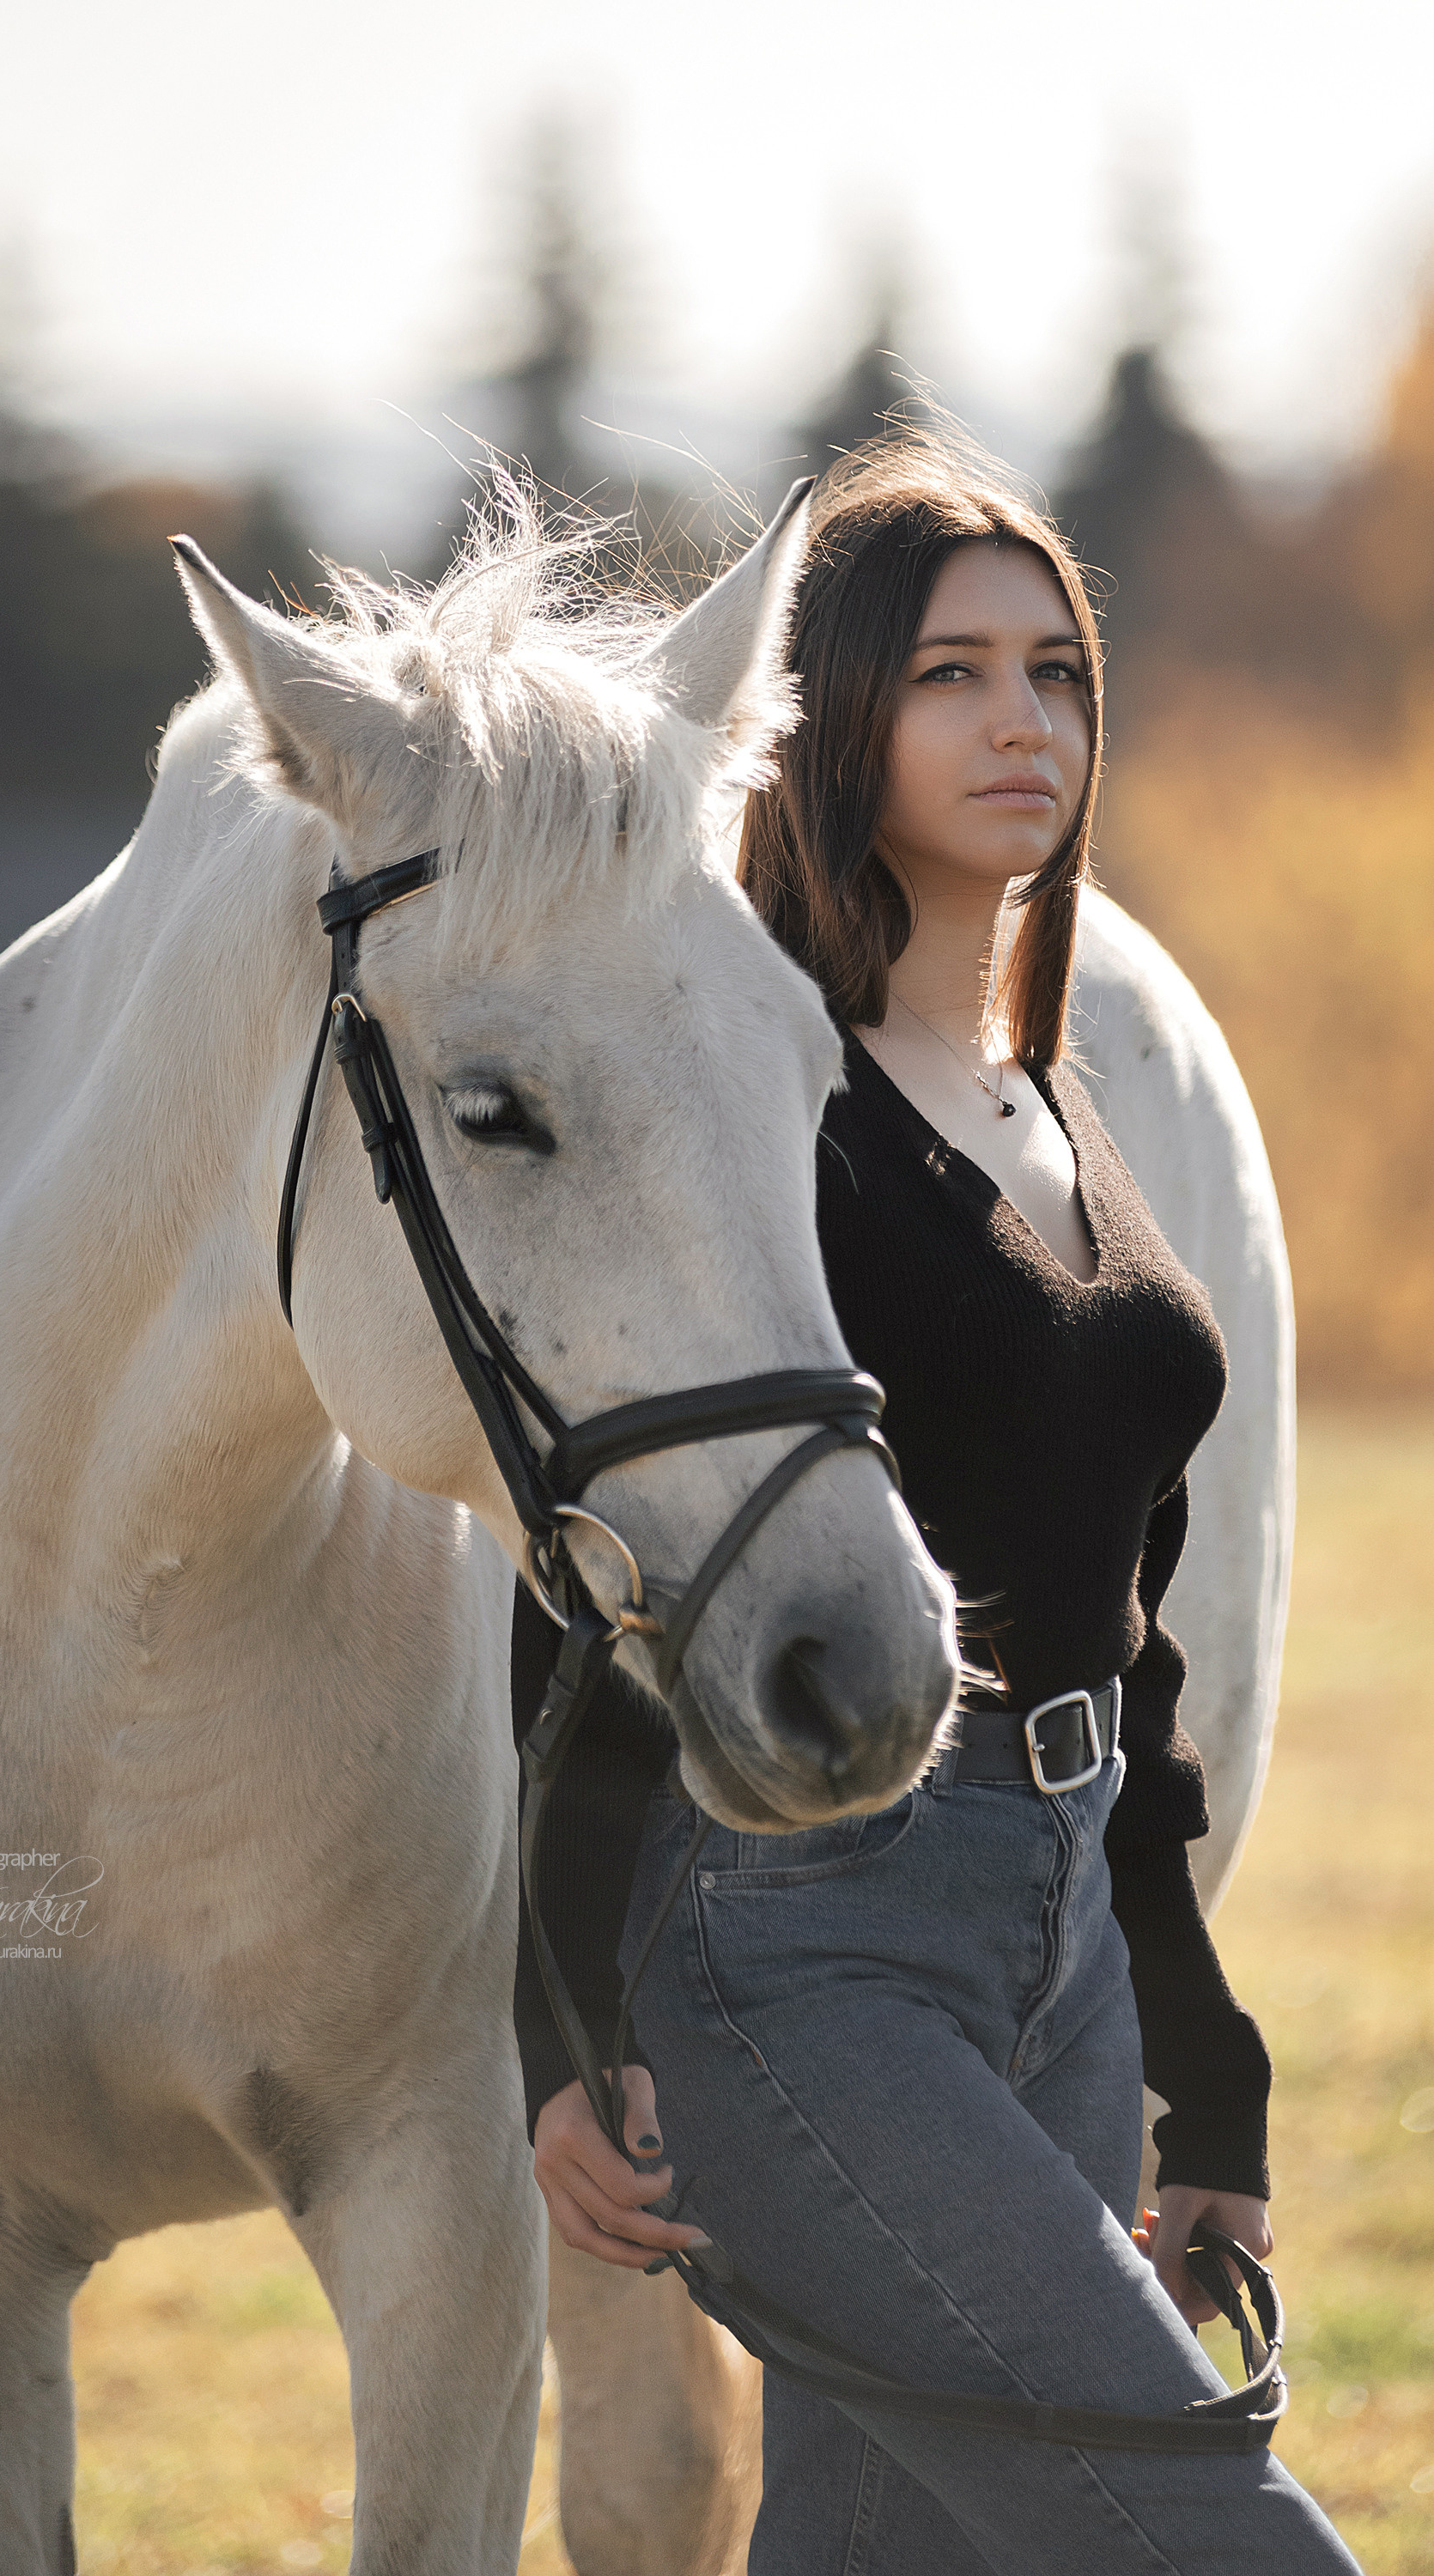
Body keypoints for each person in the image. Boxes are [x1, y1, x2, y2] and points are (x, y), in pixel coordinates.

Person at [513, 439, 1360, 2573]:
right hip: (795, 1943)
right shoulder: (763, 1107)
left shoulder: (1047, 1093)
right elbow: (592, 1581)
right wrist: (560, 2027)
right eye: (952, 675)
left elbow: (1124, 1639)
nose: (1022, 722)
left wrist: (1205, 2064)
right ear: (832, 724)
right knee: (1198, 2519)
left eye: (1056, 671)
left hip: (1064, 1926)